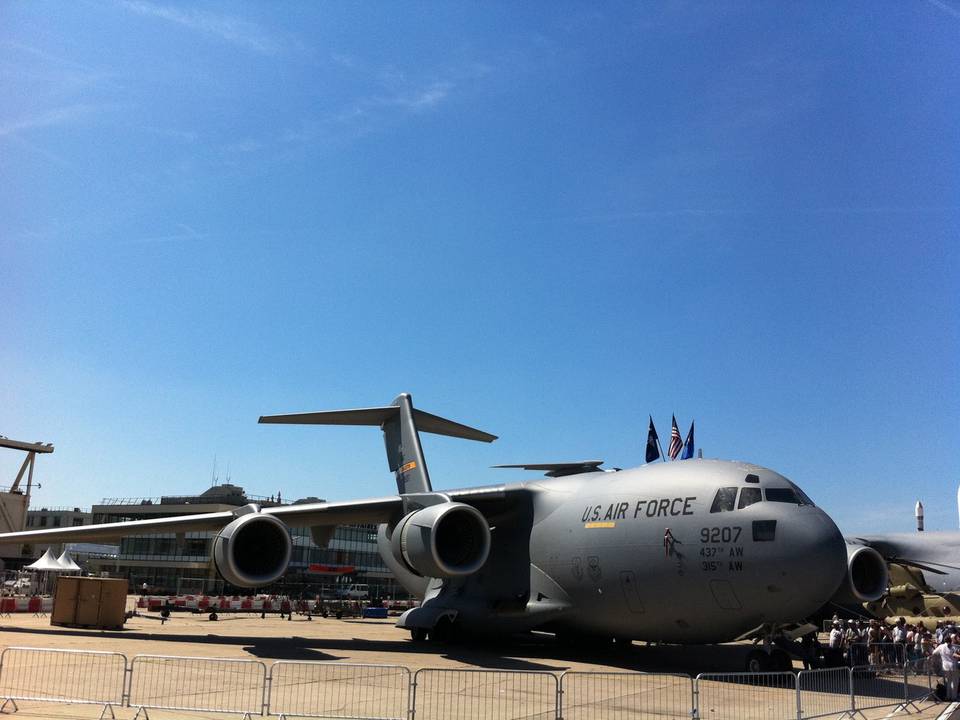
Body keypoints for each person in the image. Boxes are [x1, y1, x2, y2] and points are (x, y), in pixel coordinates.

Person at [933, 633, 960, 700]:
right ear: (950, 640)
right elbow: (955, 655)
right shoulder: (953, 646)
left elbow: (934, 653)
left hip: (945, 667)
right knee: (955, 682)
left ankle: (948, 697)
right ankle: (953, 697)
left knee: (948, 682)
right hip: (953, 666)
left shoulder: (941, 646)